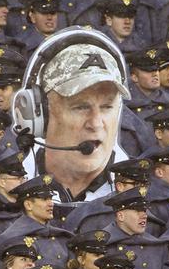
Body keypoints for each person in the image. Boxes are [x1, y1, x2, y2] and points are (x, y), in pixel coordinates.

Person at [13, 28, 131, 203]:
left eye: (107, 107)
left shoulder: (143, 193)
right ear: (39, 114)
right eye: (80, 107)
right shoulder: (6, 191)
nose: (96, 124)